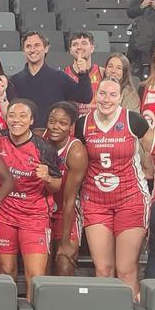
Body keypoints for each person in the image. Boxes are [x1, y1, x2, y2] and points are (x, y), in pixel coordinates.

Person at [77, 77, 153, 299]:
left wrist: (148, 171)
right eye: (102, 93)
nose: (106, 99)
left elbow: (153, 149)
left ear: (120, 98)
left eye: (112, 95)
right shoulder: (83, 124)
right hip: (95, 200)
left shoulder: (133, 120)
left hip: (130, 198)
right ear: (96, 95)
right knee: (103, 269)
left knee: (126, 269)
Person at [0, 100, 62, 298]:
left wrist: (47, 178)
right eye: (12, 115)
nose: (16, 120)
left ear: (32, 120)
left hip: (34, 216)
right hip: (5, 214)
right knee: (6, 270)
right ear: (6, 118)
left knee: (35, 275)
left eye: (23, 116)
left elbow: (57, 185)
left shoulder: (44, 148)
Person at [8, 32, 94, 123]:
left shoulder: (60, 77)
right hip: (24, 132)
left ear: (46, 48)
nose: (32, 50)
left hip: (52, 131)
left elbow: (85, 97)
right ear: (23, 50)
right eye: (28, 46)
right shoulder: (14, 81)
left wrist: (83, 73)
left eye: (37, 45)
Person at [47, 102, 89, 276]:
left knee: (64, 265)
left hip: (67, 213)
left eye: (63, 123)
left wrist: (65, 242)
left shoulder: (76, 151)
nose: (55, 127)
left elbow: (69, 200)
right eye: (52, 121)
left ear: (71, 127)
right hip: (42, 213)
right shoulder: (40, 139)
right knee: (42, 271)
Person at [63, 33, 103, 118]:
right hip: (72, 123)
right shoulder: (63, 75)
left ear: (92, 48)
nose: (79, 47)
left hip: (97, 123)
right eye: (75, 44)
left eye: (84, 43)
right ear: (70, 50)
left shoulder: (102, 73)